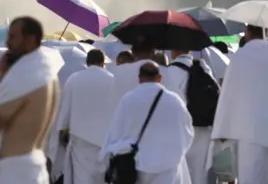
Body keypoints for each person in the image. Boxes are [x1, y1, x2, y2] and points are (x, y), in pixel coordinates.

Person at [0, 16, 60, 184]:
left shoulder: (26, 75)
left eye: (12, 37)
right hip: (32, 166)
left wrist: (3, 78)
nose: (8, 42)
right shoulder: (47, 73)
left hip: (16, 171)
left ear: (30, 40)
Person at [101, 62, 193, 184]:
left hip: (136, 165)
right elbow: (187, 132)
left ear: (139, 78)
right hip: (167, 165)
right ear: (160, 78)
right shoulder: (175, 101)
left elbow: (115, 132)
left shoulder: (128, 99)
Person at [212, 24, 268, 184]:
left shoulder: (240, 57)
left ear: (248, 32)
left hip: (248, 131)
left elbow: (228, 94)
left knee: (251, 177)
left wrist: (223, 129)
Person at [53, 49, 114, 184]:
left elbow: (66, 107)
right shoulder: (112, 80)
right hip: (104, 139)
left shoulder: (74, 79)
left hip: (80, 138)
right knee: (101, 178)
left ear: (87, 63)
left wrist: (63, 129)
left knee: (81, 177)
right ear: (103, 63)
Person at [165, 47, 218, 184]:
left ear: (174, 51)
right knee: (200, 172)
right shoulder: (204, 68)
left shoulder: (171, 71)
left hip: (181, 129)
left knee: (182, 172)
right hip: (204, 127)